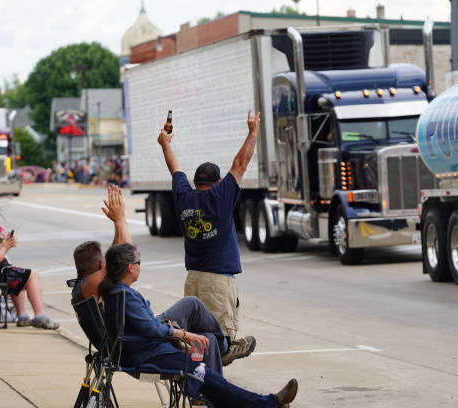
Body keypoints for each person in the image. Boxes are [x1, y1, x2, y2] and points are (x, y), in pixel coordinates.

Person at [98, 243, 298, 407]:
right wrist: (185, 335)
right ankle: (269, 403)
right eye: (139, 262)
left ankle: (224, 351)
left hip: (147, 350)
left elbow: (146, 325)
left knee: (207, 346)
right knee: (209, 377)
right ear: (131, 268)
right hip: (151, 355)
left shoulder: (117, 292)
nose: (140, 266)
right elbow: (152, 329)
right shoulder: (125, 295)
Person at [71, 186, 230, 374]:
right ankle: (225, 348)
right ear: (99, 266)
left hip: (134, 334)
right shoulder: (90, 285)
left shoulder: (84, 286)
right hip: (141, 338)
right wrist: (120, 219)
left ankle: (204, 391)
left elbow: (118, 255)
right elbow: (125, 253)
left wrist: (117, 222)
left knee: (207, 337)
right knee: (192, 304)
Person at [158, 109, 261, 365]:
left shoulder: (185, 196)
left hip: (192, 279)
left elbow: (175, 169)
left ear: (194, 182)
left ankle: (201, 382)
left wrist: (165, 144)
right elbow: (240, 165)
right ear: (217, 183)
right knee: (218, 338)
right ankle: (223, 356)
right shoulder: (220, 197)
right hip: (217, 281)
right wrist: (253, 132)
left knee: (199, 337)